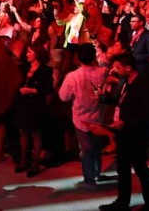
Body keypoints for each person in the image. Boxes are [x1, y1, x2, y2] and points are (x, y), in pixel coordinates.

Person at [99, 53, 149, 211]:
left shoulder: (144, 84)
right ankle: (122, 202)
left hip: (137, 135)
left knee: (140, 169)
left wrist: (126, 121)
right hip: (123, 133)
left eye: (118, 67)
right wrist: (104, 96)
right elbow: (119, 101)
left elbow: (148, 112)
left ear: (129, 68)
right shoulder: (124, 82)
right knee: (122, 169)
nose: (115, 70)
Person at [58, 44, 107, 190]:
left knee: (86, 149)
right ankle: (97, 173)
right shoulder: (103, 72)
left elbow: (63, 96)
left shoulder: (72, 76)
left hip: (80, 118)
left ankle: (90, 180)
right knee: (96, 145)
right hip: (98, 117)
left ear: (78, 58)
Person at [13, 45, 54, 177]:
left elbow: (48, 90)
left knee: (36, 133)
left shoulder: (46, 70)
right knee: (22, 131)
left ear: (37, 53)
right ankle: (23, 159)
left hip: (36, 104)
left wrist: (31, 90)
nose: (27, 54)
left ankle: (35, 163)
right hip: (22, 103)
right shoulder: (23, 68)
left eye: (30, 52)